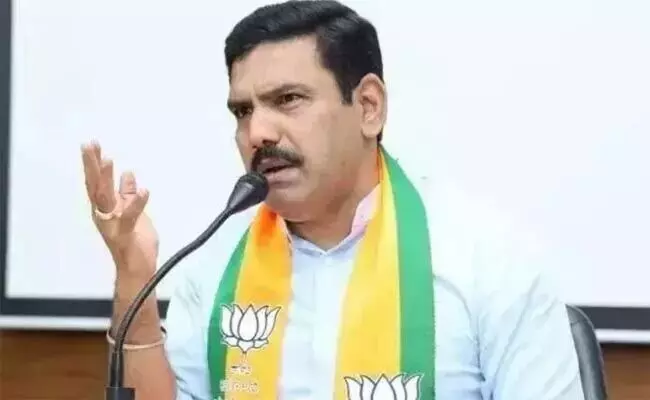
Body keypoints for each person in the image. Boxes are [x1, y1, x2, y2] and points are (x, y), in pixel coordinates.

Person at [81, 1, 586, 399]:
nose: (257, 133)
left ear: (368, 107)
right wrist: (134, 277)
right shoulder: (212, 267)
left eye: (287, 100)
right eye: (242, 111)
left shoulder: (488, 263)